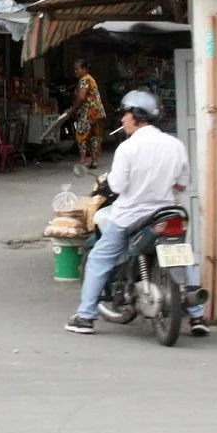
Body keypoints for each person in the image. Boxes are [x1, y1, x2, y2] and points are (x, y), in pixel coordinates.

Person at [67, 89, 207, 336]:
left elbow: (118, 186)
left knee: (100, 259)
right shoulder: (175, 145)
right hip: (167, 213)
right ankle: (197, 318)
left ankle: (85, 316)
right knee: (184, 256)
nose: (122, 120)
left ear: (136, 116)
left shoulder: (128, 148)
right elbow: (182, 184)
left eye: (125, 115)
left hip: (130, 216)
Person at [69, 58, 106, 174]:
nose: (75, 72)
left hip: (87, 113)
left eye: (77, 69)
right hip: (97, 113)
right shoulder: (91, 79)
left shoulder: (84, 80)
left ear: (84, 69)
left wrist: (72, 109)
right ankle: (94, 161)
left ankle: (83, 160)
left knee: (81, 135)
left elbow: (81, 97)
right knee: (95, 136)